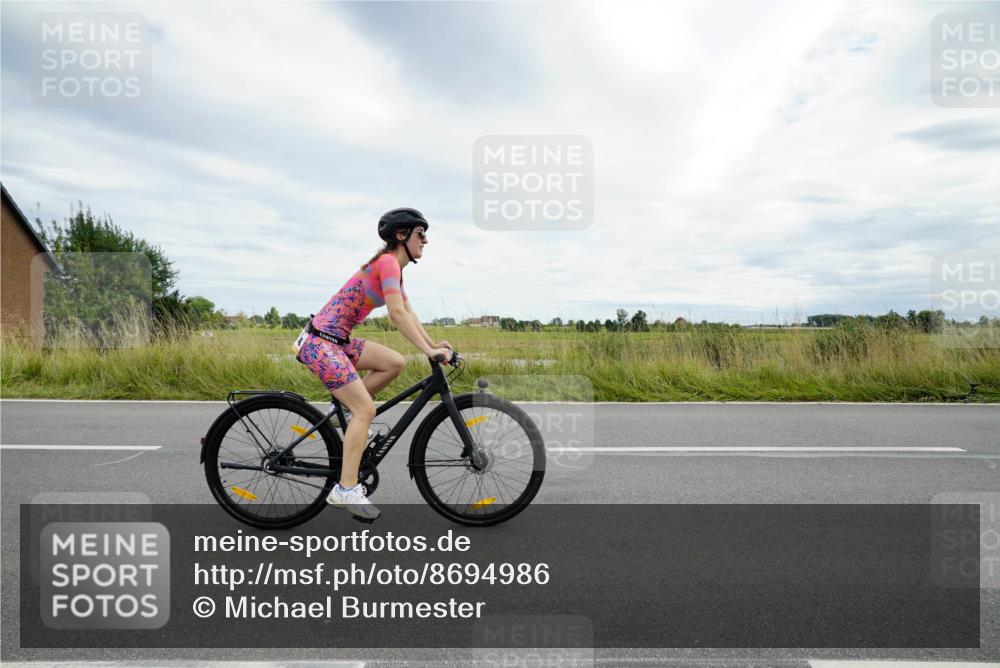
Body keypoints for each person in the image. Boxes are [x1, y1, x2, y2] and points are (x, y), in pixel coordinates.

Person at [295, 208, 453, 521]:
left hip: (335, 341)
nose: (426, 240)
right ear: (401, 235)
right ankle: (346, 488)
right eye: (421, 234)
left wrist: (432, 345)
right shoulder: (387, 263)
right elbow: (395, 314)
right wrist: (428, 351)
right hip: (321, 343)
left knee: (393, 362)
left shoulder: (393, 268)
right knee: (366, 410)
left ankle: (341, 415)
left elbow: (407, 312)